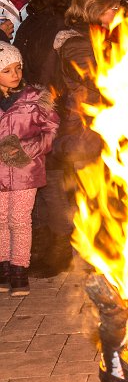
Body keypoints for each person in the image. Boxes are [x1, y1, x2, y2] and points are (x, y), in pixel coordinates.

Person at [13, 0, 79, 277]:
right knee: (38, 182)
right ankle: (42, 247)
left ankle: (57, 248)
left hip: (47, 110)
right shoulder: (38, 22)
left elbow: (58, 75)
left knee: (50, 182)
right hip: (33, 110)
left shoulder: (56, 25)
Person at [0, 44, 60, 296]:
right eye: (6, 70)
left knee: (20, 220)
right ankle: (3, 267)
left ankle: (19, 270)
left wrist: (31, 149)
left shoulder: (34, 98)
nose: (15, 74)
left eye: (18, 68)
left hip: (26, 170)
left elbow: (51, 129)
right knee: (1, 220)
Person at [53, 0, 123, 170]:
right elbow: (99, 80)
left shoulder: (97, 38)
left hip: (96, 129)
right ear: (96, 9)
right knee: (87, 196)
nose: (118, 13)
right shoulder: (77, 44)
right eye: (113, 8)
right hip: (82, 133)